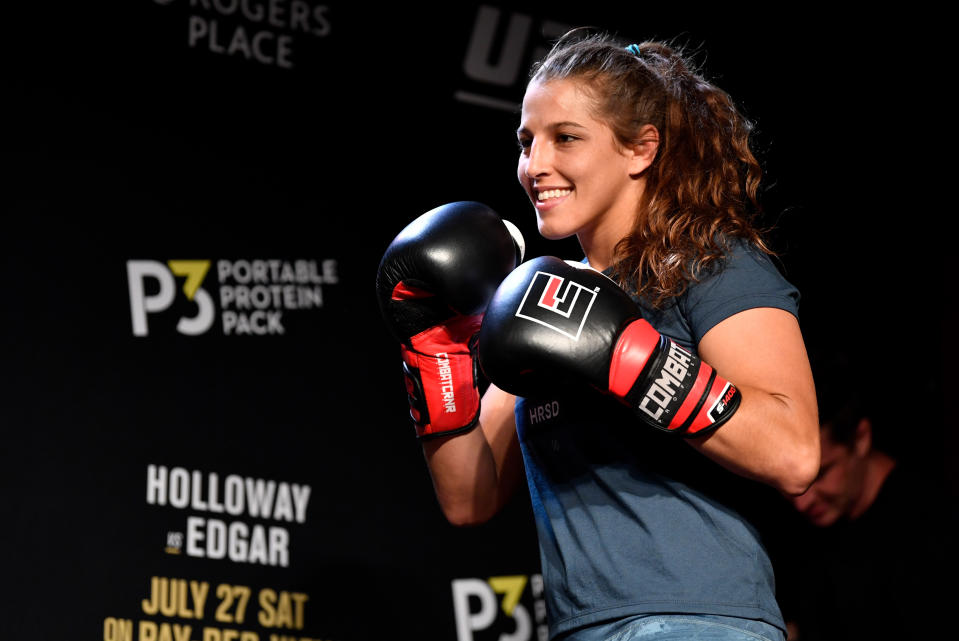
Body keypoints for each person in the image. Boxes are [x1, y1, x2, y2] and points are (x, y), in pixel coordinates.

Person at [377, 30, 820, 641]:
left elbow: (794, 454)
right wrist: (433, 348)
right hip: (580, 628)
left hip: (701, 622)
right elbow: (468, 497)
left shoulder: (712, 263)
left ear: (640, 149)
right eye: (526, 142)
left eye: (566, 139)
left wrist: (633, 359)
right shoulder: (542, 300)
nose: (536, 166)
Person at [773, 351, 956, 640]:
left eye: (819, 474)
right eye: (789, 483)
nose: (801, 501)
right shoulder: (809, 531)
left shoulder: (930, 529)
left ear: (861, 439)